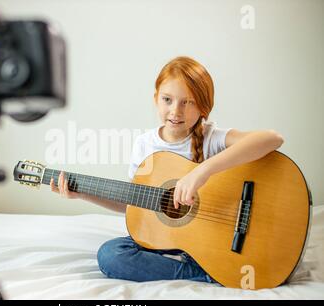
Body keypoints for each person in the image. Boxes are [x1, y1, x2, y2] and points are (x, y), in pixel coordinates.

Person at [50, 56, 284, 284]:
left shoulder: (212, 138)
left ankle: (211, 266)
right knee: (111, 255)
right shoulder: (144, 144)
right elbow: (133, 203)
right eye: (168, 100)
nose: (176, 111)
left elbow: (272, 139)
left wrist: (202, 172)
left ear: (203, 106)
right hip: (170, 239)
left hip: (213, 240)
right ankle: (201, 271)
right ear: (156, 99)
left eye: (187, 102)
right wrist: (83, 193)